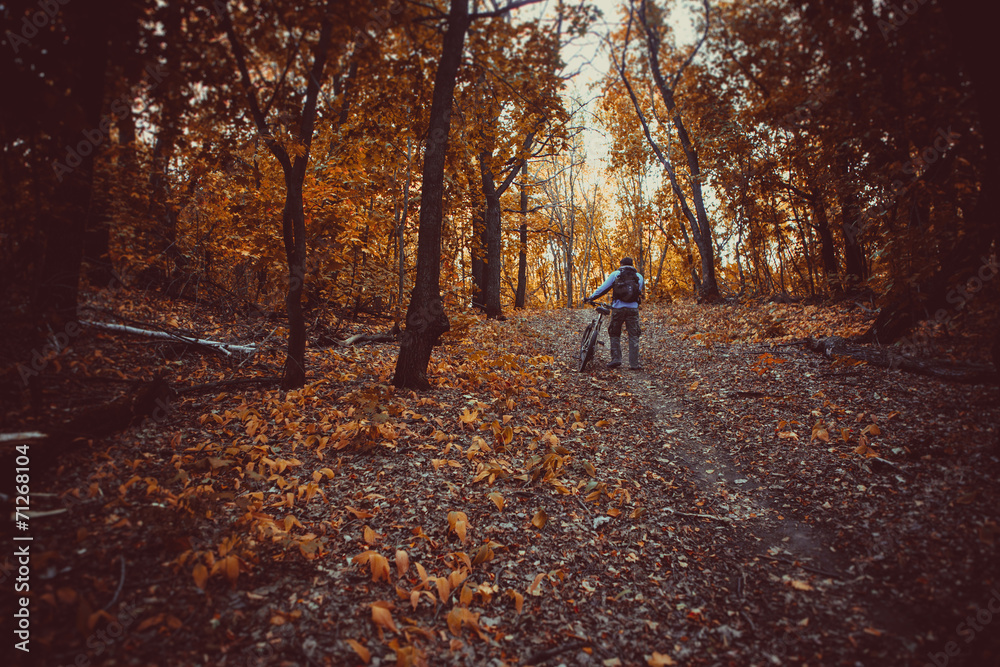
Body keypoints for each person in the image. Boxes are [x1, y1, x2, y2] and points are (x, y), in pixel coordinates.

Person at [584, 257, 644, 370]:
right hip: (633, 310)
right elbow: (638, 292)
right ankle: (634, 364)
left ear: (621, 264)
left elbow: (603, 289)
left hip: (618, 309)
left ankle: (616, 359)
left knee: (614, 333)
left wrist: (591, 298)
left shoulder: (616, 274)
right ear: (632, 265)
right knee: (634, 335)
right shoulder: (639, 277)